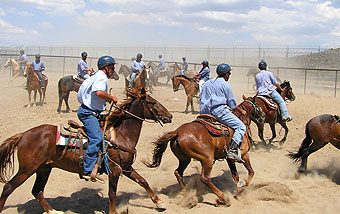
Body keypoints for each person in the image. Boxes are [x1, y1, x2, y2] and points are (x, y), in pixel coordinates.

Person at [77, 55, 118, 182]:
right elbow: (99, 92)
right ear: (106, 67)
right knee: (97, 138)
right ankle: (88, 169)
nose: (113, 70)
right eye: (112, 67)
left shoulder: (94, 76)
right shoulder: (101, 77)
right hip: (88, 113)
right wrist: (112, 98)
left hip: (90, 110)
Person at [200, 63, 246, 162]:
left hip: (206, 113)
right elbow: (232, 105)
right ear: (226, 74)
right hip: (220, 112)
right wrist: (241, 110)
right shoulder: (225, 85)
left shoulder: (207, 83)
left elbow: (202, 99)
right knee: (241, 127)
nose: (229, 75)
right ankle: (232, 151)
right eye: (229, 73)